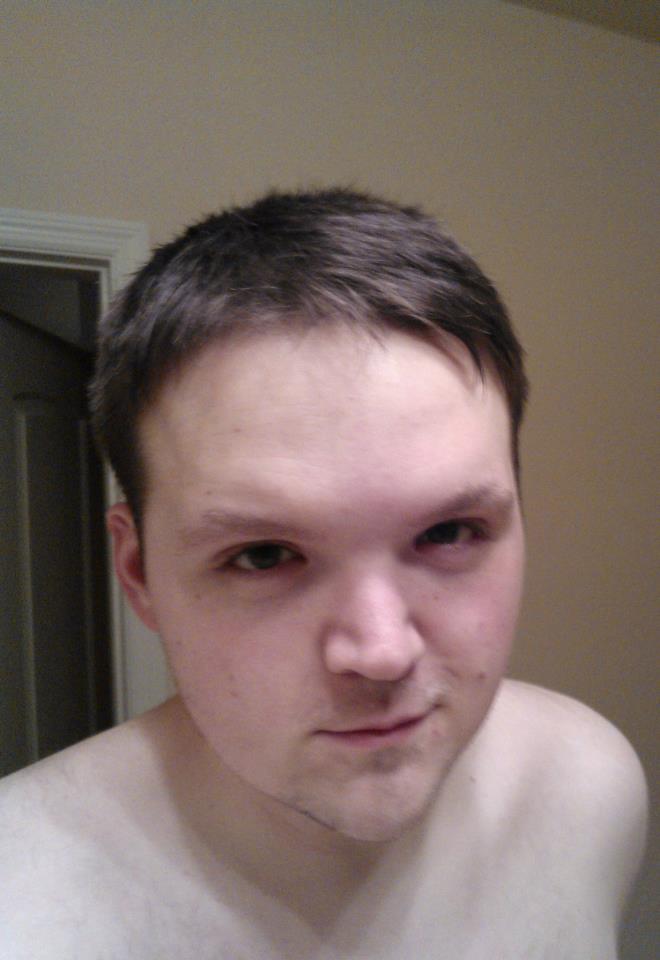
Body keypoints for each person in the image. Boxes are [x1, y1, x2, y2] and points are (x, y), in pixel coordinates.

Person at [0, 189, 648, 959]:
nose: (381, 652)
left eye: (448, 532)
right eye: (264, 555)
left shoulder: (588, 787)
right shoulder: (24, 908)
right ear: (138, 573)